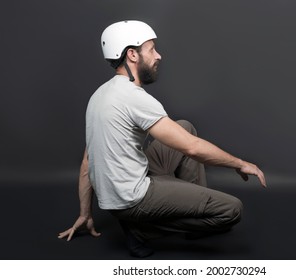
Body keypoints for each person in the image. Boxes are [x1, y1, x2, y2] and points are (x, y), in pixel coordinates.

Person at [58, 20, 267, 258]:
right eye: (151, 49)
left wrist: (86, 213)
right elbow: (193, 148)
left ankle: (187, 203)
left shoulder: (100, 95)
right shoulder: (134, 97)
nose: (159, 56)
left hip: (120, 190)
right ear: (132, 54)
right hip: (133, 198)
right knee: (231, 210)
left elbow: (88, 163)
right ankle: (143, 230)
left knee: (184, 127)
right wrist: (240, 163)